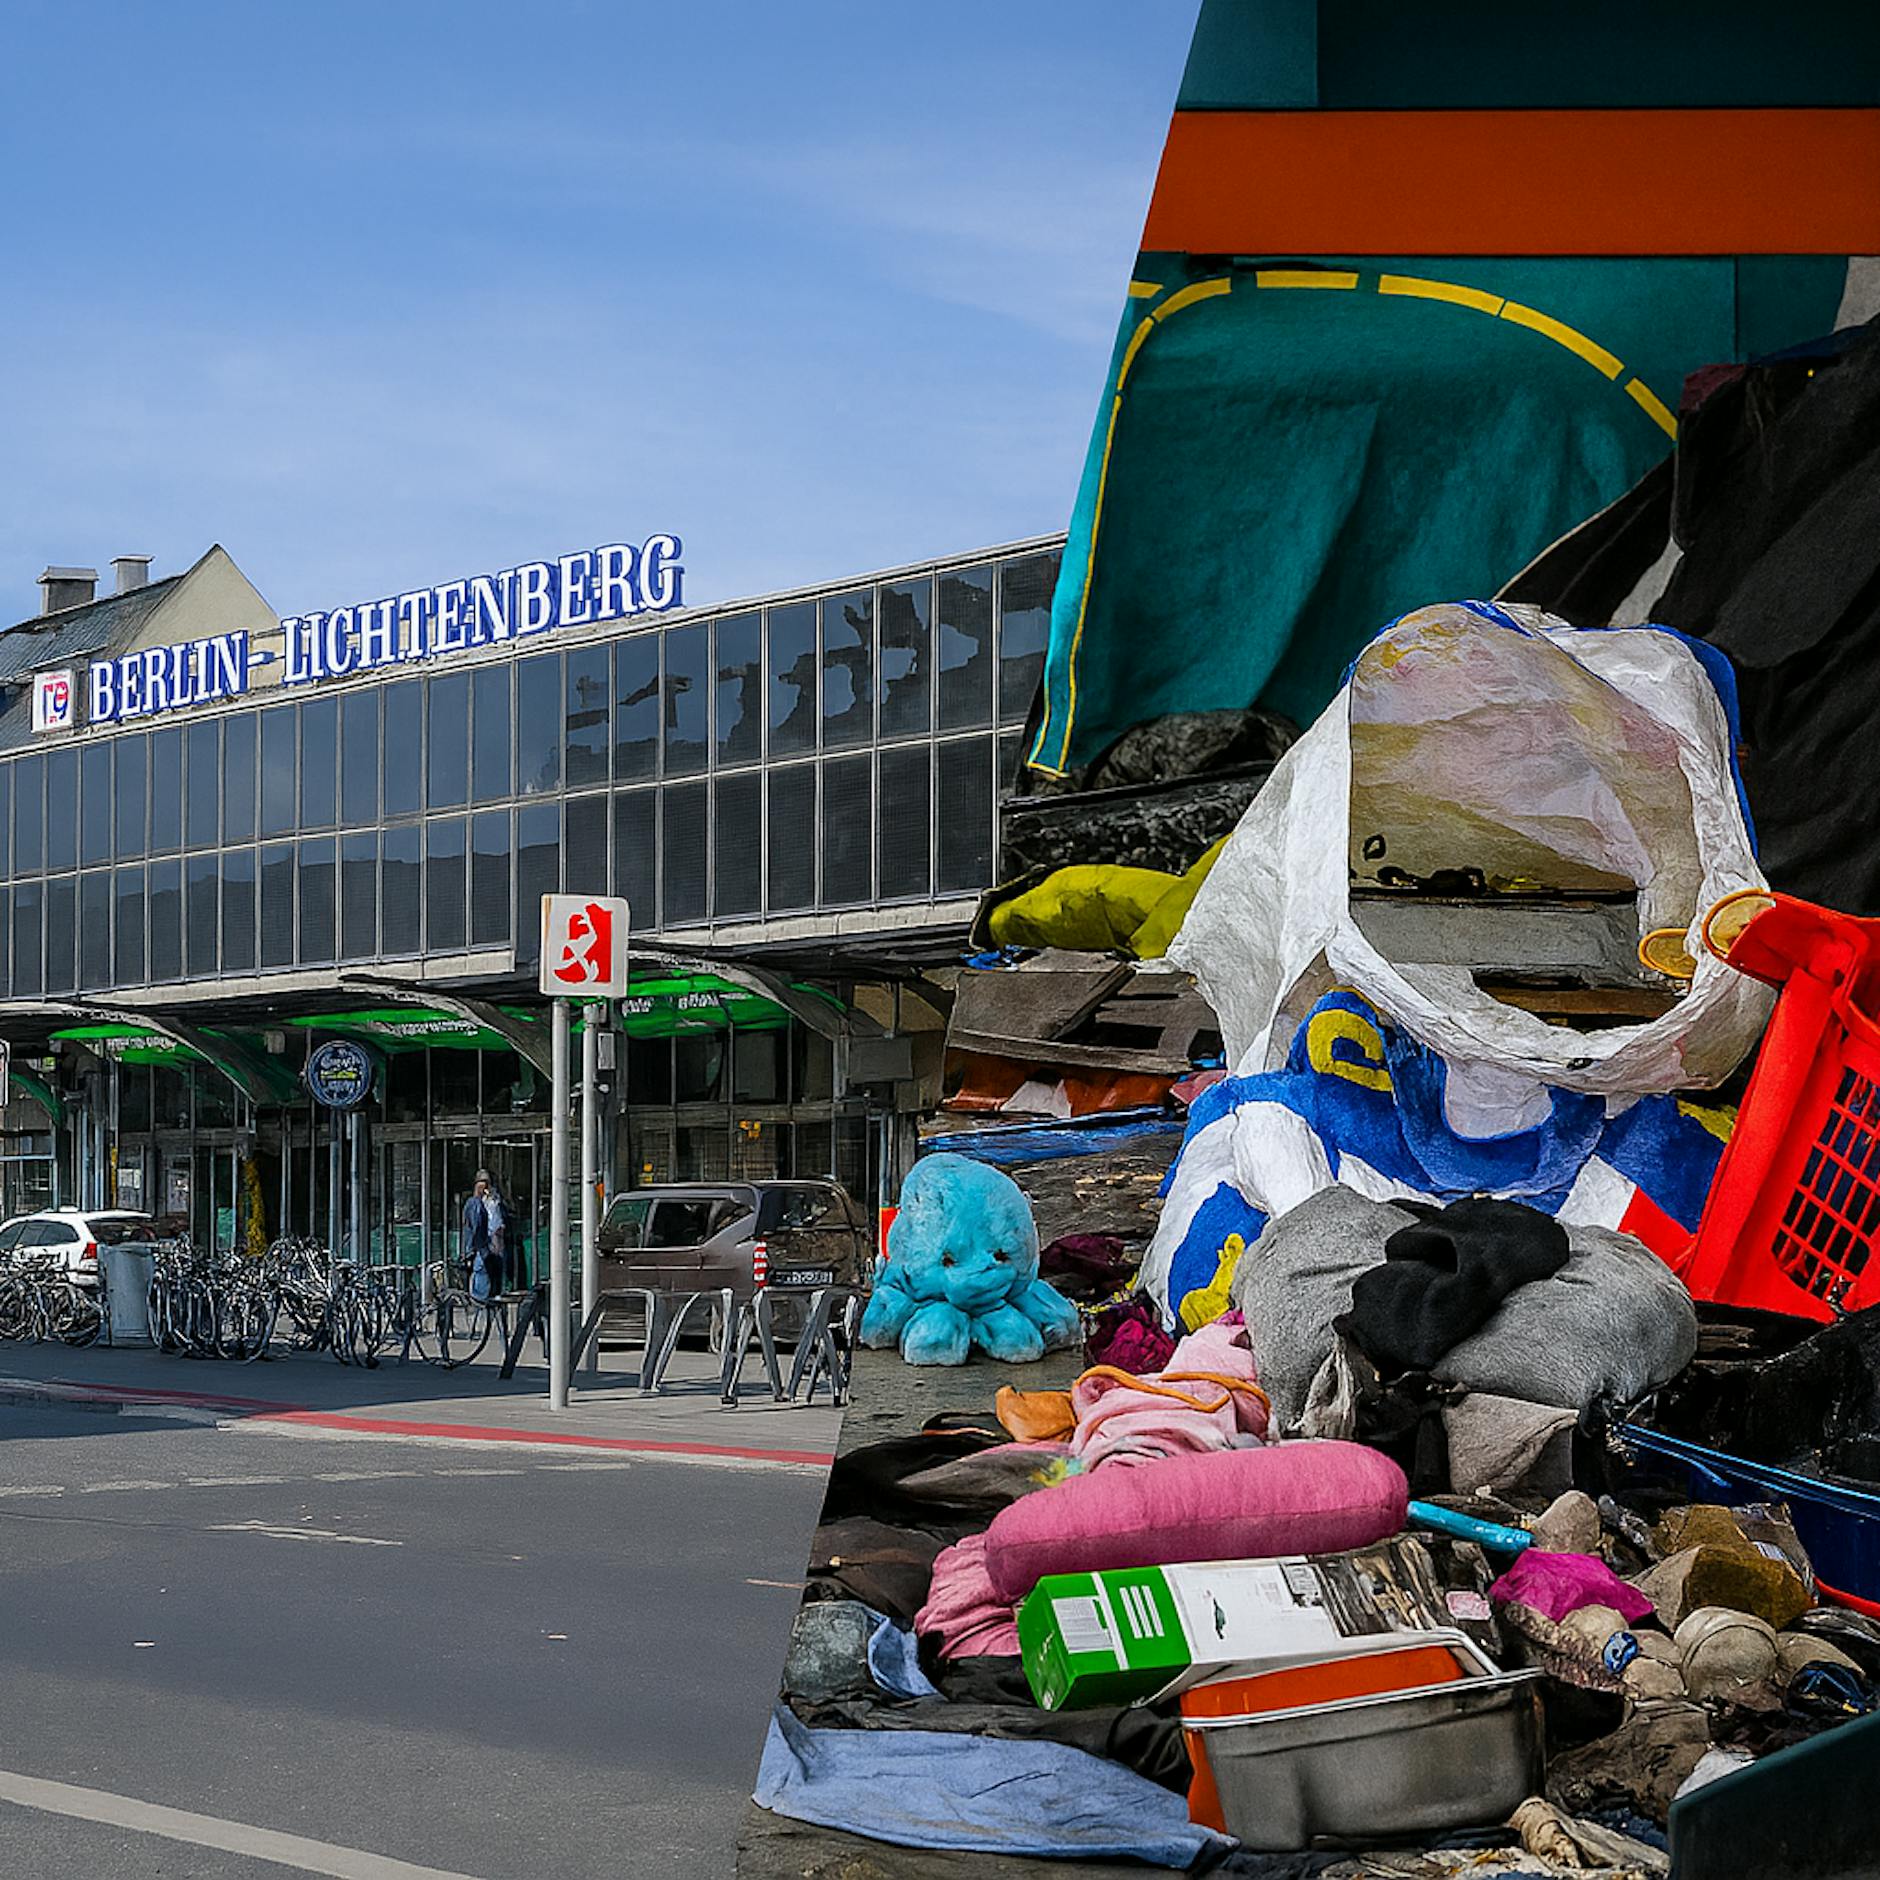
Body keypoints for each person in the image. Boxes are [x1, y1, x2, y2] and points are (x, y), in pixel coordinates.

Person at [461, 1170, 507, 1301]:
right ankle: (480, 1300)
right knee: (482, 1271)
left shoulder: (493, 1202)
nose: (485, 1188)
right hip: (482, 1246)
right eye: (482, 1184)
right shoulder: (474, 1203)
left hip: (495, 1243)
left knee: (493, 1272)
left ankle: (492, 1296)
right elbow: (474, 1226)